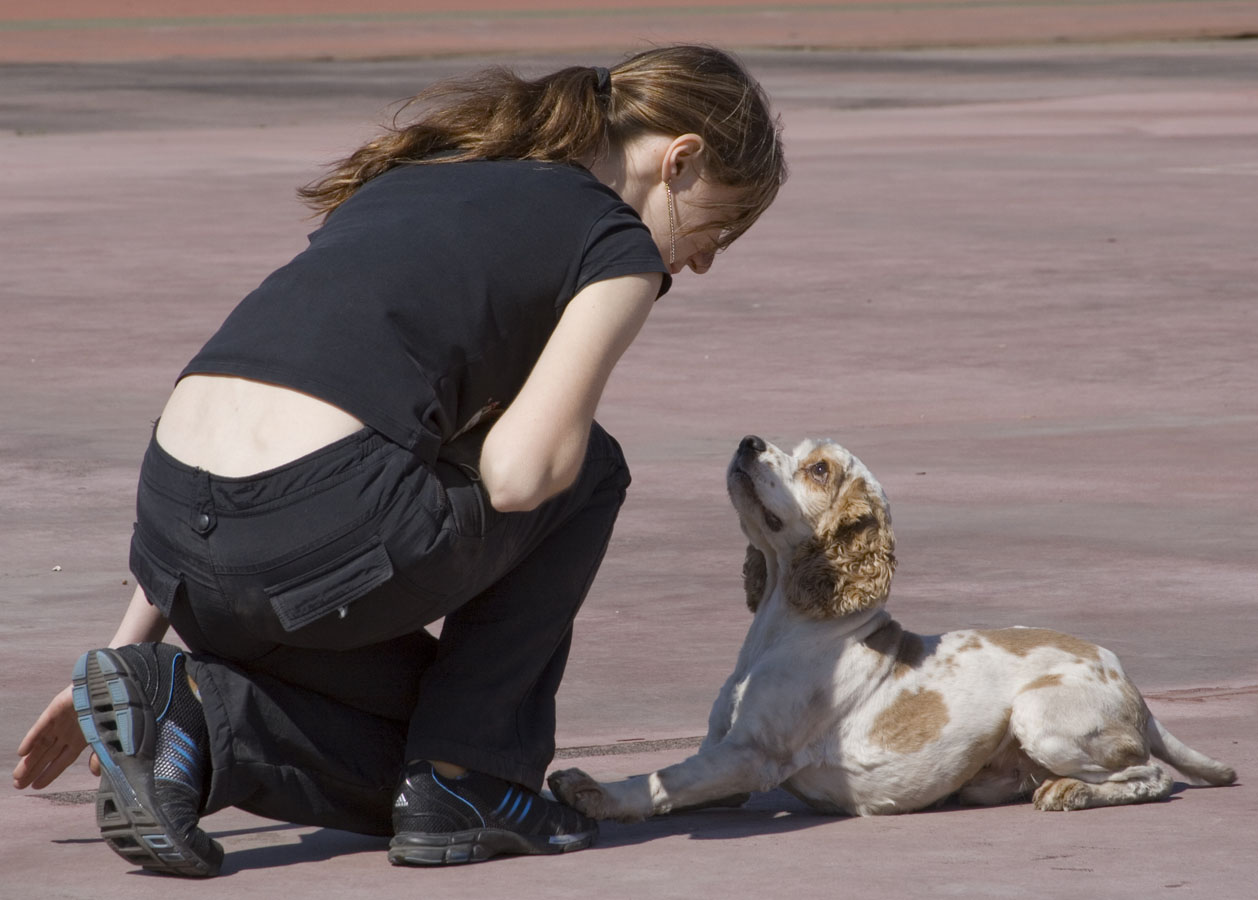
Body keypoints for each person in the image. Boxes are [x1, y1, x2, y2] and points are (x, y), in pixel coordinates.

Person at [12, 44, 786, 875]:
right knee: (588, 469)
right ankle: (470, 778)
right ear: (681, 160)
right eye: (724, 224)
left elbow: (258, 431)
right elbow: (522, 478)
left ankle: (195, 719)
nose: (704, 258)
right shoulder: (615, 242)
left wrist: (120, 656)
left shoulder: (424, 176)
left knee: (421, 736)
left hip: (178, 541)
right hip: (306, 535)